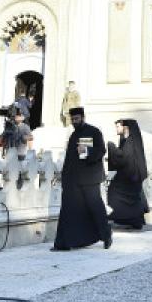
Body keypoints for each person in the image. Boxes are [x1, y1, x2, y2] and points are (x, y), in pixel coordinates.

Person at [52, 107, 112, 251]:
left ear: (83, 117)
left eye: (77, 119)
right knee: (69, 209)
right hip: (73, 179)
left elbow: (101, 151)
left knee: (95, 208)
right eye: (72, 119)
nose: (74, 122)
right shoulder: (74, 135)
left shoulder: (93, 131)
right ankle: (65, 242)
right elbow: (70, 159)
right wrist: (63, 175)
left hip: (89, 179)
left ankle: (106, 235)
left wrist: (87, 151)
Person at [106, 118, 149, 230]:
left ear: (125, 127)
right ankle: (131, 220)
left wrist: (111, 147)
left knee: (114, 193)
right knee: (118, 194)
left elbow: (123, 158)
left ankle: (132, 220)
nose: (116, 128)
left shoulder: (131, 141)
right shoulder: (125, 140)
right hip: (127, 177)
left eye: (118, 126)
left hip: (130, 177)